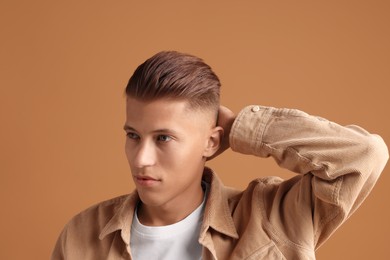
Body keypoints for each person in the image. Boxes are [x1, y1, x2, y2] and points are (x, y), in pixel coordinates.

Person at [51, 51, 388, 260]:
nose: (141, 159)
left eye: (163, 138)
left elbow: (363, 155)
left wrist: (243, 128)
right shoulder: (83, 234)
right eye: (133, 136)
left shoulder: (270, 218)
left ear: (211, 143)